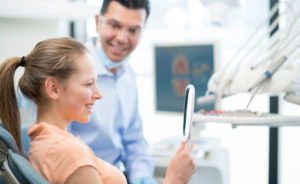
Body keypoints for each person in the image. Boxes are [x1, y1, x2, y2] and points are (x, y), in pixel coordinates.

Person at [0, 37, 196, 184]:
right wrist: (174, 179)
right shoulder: (68, 153)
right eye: (88, 84)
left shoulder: (42, 140)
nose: (99, 94)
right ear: (54, 88)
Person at [68, 0, 158, 183]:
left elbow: (134, 141)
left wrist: (142, 176)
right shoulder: (68, 70)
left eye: (133, 30)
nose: (122, 38)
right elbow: (59, 150)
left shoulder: (127, 75)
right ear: (98, 21)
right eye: (115, 25)